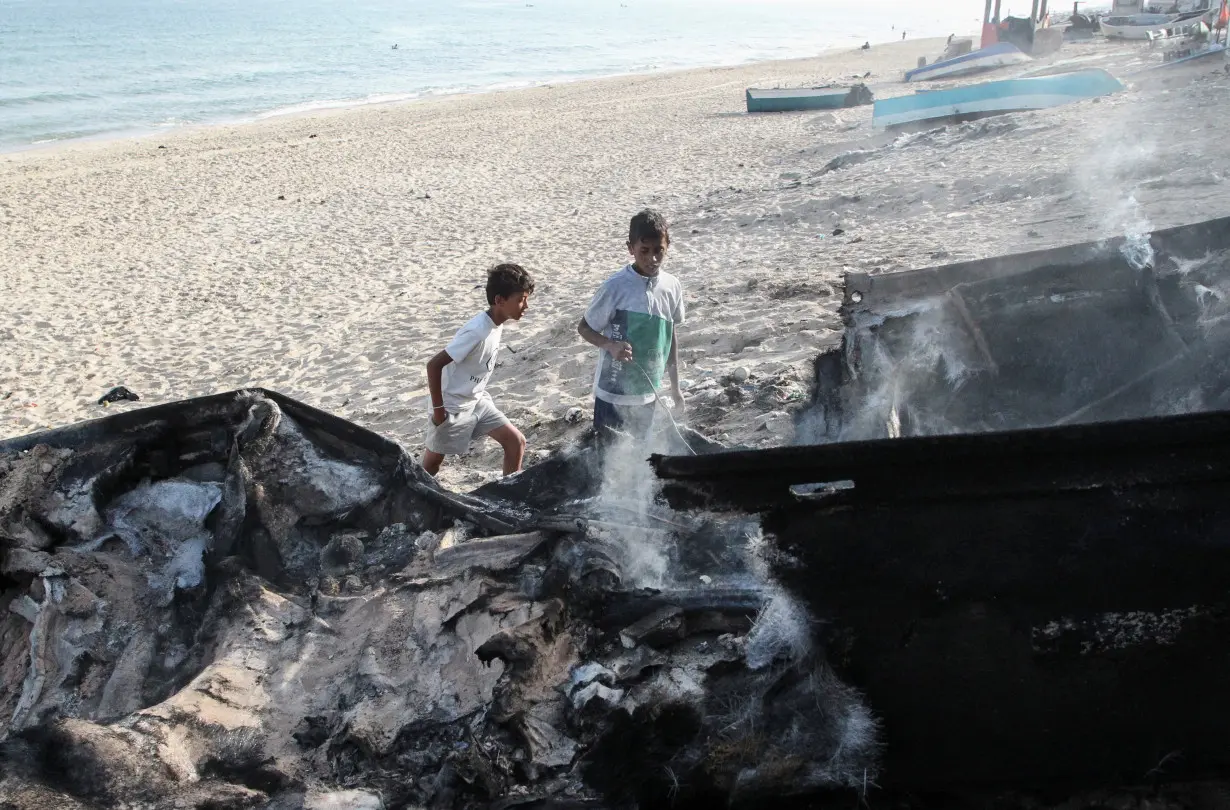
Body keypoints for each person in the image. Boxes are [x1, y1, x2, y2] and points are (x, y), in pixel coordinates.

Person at [577, 209, 685, 446]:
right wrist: (609, 345)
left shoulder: (672, 286)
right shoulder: (615, 287)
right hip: (613, 393)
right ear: (631, 248)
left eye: (659, 251)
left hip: (648, 392)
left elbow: (670, 335)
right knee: (606, 457)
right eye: (644, 251)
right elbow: (584, 327)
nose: (652, 259)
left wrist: (675, 387)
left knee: (639, 455)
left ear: (668, 246)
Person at [423, 263, 534, 477]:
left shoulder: (496, 323)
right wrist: (439, 411)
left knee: (516, 442)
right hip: (452, 406)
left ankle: (508, 496)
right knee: (432, 465)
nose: (526, 306)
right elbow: (434, 365)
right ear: (499, 300)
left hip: (477, 401)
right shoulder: (476, 331)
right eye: (520, 300)